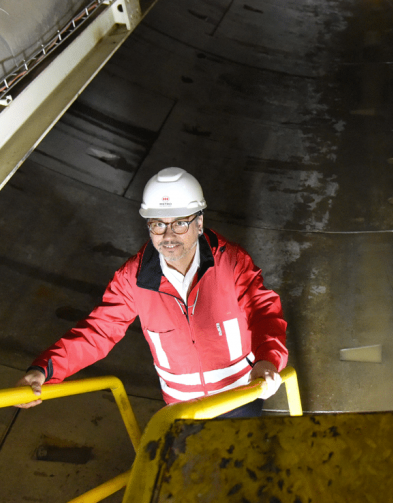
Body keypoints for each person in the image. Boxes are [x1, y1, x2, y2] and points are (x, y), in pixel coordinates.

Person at [15, 167, 287, 418]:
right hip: (183, 409)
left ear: (199, 223)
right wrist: (43, 370)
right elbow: (98, 331)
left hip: (240, 396)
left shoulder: (231, 261)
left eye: (180, 223)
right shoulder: (132, 278)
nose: (168, 236)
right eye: (158, 224)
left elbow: (263, 311)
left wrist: (268, 360)